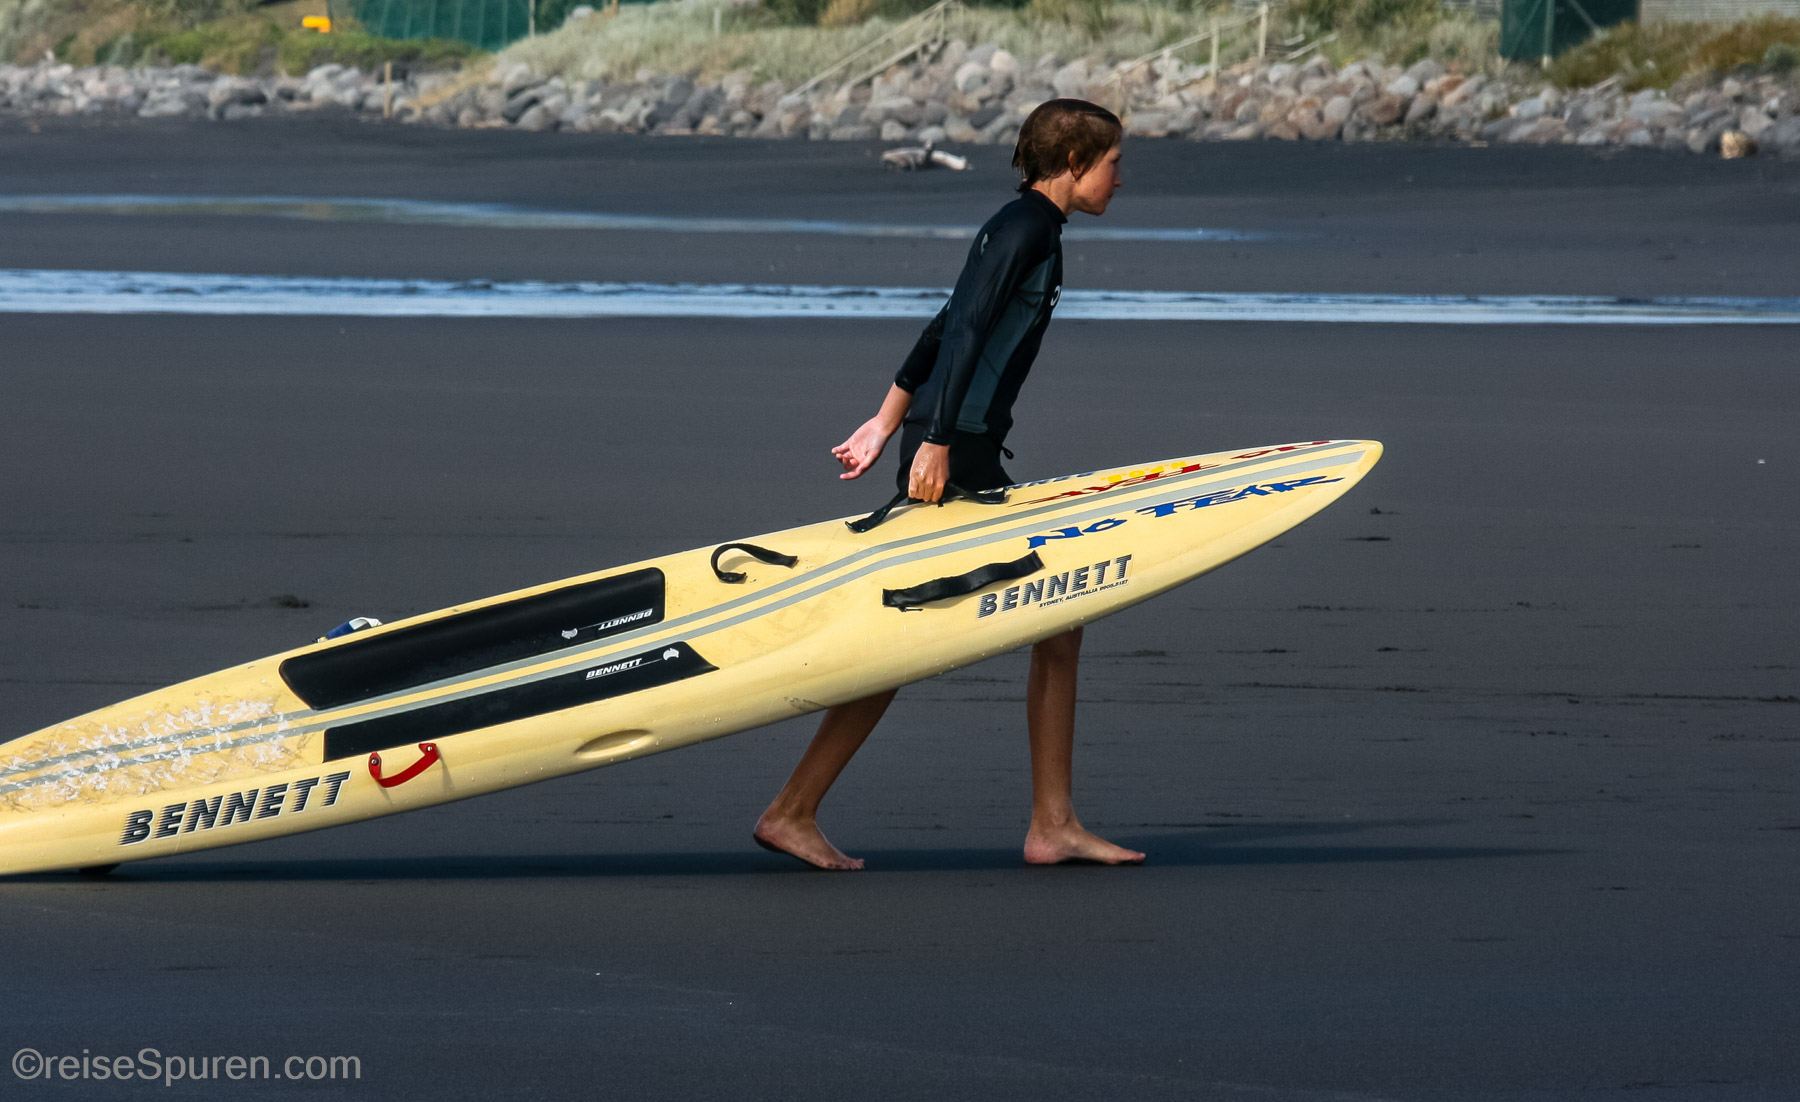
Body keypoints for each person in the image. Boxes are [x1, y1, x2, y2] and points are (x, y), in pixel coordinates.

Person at [753, 99, 1144, 871]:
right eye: (1112, 164)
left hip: (955, 445)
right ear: (1073, 165)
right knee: (908, 639)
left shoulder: (1019, 225)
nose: (1119, 180)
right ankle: (792, 810)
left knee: (1055, 624)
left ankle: (1052, 822)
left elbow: (945, 319)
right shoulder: (1029, 231)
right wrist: (928, 441)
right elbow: (962, 330)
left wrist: (884, 417)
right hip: (955, 452)